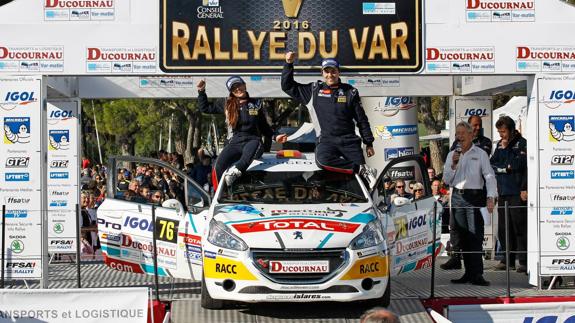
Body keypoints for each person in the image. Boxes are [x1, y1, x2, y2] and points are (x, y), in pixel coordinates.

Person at [281, 52, 377, 186]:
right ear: (322, 73)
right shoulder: (314, 90)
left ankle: (365, 178)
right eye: (327, 72)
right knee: (322, 161)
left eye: (333, 71)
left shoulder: (350, 92)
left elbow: (362, 120)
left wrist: (369, 142)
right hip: (326, 140)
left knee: (363, 185)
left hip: (349, 141)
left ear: (338, 73)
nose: (330, 75)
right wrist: (288, 63)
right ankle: (360, 169)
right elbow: (287, 86)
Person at [197, 77, 288, 187]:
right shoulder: (226, 103)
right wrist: (201, 92)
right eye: (234, 88)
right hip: (235, 141)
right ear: (231, 91)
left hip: (253, 140)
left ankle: (235, 172)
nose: (238, 89)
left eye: (239, 85)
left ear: (244, 85)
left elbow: (263, 125)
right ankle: (219, 195)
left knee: (249, 153)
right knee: (217, 166)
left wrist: (275, 137)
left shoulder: (256, 102)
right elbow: (205, 108)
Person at [443, 121, 497, 286]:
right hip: (458, 198)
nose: (459, 137)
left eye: (462, 133)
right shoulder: (451, 154)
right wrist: (453, 164)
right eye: (457, 134)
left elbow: (489, 176)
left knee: (475, 235)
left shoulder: (480, 153)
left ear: (470, 135)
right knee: (463, 236)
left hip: (475, 197)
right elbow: (446, 179)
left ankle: (478, 274)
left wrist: (491, 196)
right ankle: (468, 273)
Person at [490, 116, 528, 273]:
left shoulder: (522, 143)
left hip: (517, 191)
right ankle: (507, 260)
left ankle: (524, 261)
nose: (501, 135)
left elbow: (520, 165)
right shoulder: (499, 145)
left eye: (503, 132)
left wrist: (524, 187)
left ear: (512, 130)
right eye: (499, 132)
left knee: (519, 227)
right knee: (504, 228)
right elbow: (492, 164)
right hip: (503, 191)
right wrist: (505, 167)